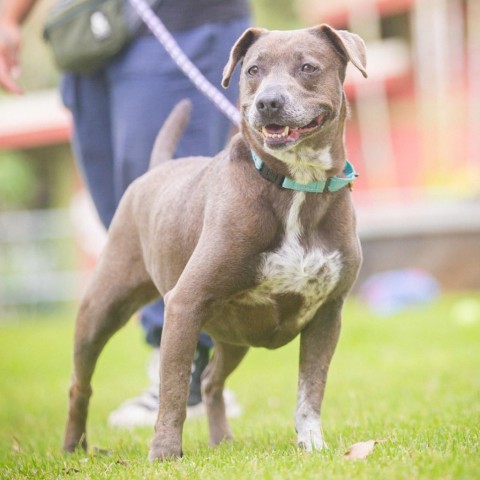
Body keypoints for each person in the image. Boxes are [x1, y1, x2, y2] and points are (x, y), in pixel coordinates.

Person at [0, 0, 250, 427]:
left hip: (176, 23)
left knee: (174, 202)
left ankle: (187, 372)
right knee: (121, 208)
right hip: (84, 29)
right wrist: (8, 17)